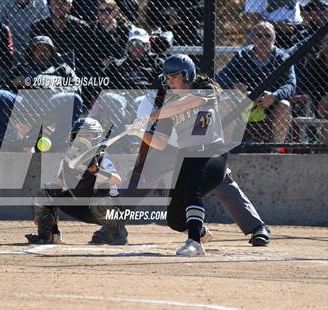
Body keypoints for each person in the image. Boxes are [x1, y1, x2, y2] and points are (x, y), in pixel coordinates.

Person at [126, 54, 228, 256]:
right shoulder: (168, 108)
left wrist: (150, 116)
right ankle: (199, 231)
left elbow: (183, 105)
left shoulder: (204, 90)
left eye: (174, 77)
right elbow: (160, 142)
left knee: (193, 188)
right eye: (167, 78)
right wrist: (139, 132)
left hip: (212, 153)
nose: (169, 82)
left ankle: (194, 242)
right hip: (188, 158)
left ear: (187, 75)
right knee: (174, 219)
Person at [25, 117, 128, 245]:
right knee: (45, 192)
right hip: (80, 206)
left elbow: (117, 180)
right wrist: (42, 210)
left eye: (87, 135)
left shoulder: (102, 159)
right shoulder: (67, 160)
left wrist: (96, 171)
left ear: (96, 137)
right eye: (78, 135)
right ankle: (49, 235)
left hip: (107, 210)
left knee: (100, 201)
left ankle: (116, 233)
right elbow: (58, 185)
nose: (81, 138)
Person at [217, 21, 296, 144]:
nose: (263, 39)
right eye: (259, 35)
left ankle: (275, 149)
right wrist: (234, 85)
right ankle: (227, 148)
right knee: (225, 102)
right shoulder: (243, 55)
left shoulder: (282, 57)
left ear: (274, 38)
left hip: (270, 103)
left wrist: (274, 96)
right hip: (243, 102)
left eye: (267, 35)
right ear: (253, 38)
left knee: (285, 105)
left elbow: (291, 84)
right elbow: (221, 76)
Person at [245, 0, 311, 48]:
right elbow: (254, 21)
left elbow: (309, 3)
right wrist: (279, 25)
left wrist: (307, 20)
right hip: (270, 33)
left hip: (297, 28)